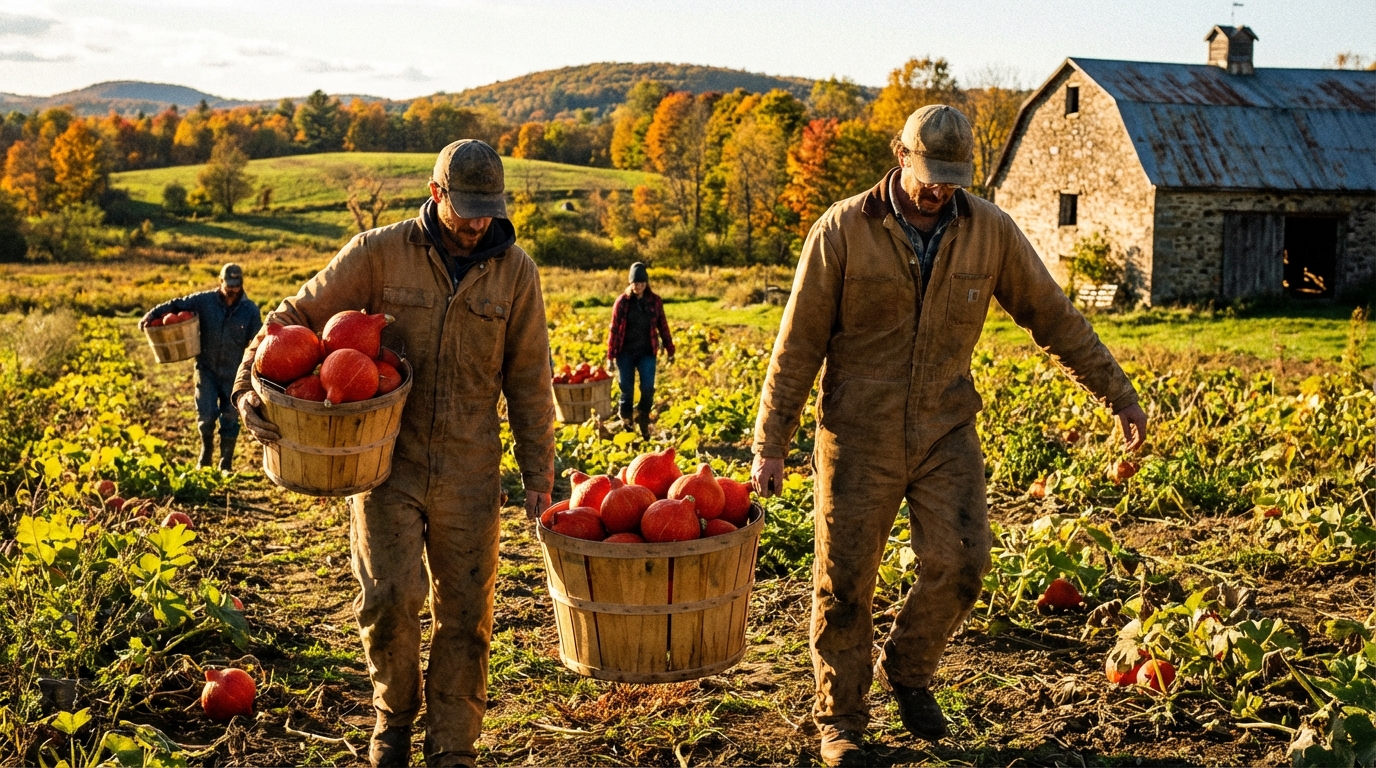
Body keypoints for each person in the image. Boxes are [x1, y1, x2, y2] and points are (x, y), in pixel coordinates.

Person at [749, 105, 1148, 767]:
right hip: (858, 434)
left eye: (952, 179)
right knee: (844, 585)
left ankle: (906, 669)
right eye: (929, 174)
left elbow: (1052, 314)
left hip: (944, 429)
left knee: (963, 564)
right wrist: (771, 442)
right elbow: (797, 344)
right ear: (899, 154)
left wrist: (1117, 392)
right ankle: (841, 722)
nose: (938, 190)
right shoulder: (844, 230)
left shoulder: (989, 232)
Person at [232, 139, 555, 768]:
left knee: (465, 611)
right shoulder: (378, 254)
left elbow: (529, 381)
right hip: (386, 465)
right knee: (390, 599)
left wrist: (538, 473)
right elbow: (291, 317)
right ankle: (394, 722)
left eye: (488, 208)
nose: (477, 221)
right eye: (465, 207)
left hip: (470, 465)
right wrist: (250, 383)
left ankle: (454, 744)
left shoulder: (516, 273)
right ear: (435, 195)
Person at [140, 263, 261, 471]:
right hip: (206, 368)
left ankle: (226, 463)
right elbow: (177, 304)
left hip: (233, 371)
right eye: (229, 284)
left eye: (236, 285)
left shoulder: (250, 310)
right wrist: (151, 315)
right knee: (205, 415)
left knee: (230, 417)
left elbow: (257, 340)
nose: (232, 289)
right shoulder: (204, 301)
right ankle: (206, 455)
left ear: (241, 284)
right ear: (220, 281)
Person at [606, 262, 674, 438]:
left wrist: (670, 349)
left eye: (642, 283)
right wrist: (610, 357)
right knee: (626, 388)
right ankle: (626, 419)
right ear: (630, 283)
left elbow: (663, 326)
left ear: (646, 284)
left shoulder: (655, 301)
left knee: (648, 388)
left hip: (646, 352)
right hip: (625, 353)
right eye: (635, 283)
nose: (638, 287)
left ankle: (642, 416)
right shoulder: (622, 302)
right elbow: (614, 330)